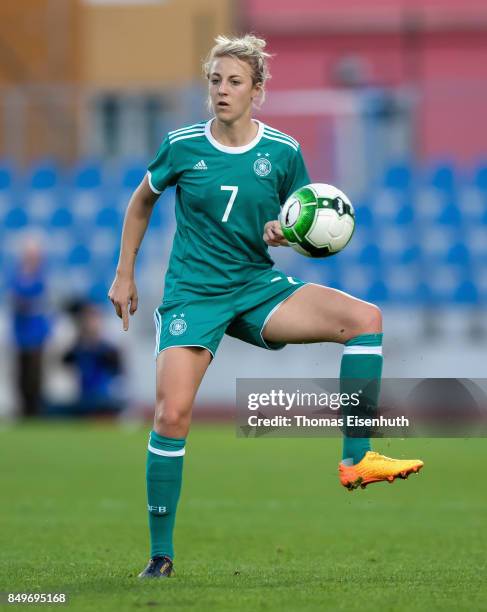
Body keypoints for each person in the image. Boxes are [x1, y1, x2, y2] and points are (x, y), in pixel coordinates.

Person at [108, 34, 424, 579]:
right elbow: (142, 202)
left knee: (365, 319)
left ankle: (356, 459)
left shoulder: (282, 151)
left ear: (257, 90)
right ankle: (160, 557)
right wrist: (125, 272)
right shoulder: (182, 144)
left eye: (235, 81)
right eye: (215, 81)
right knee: (171, 415)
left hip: (256, 286)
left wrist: (286, 232)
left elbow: (305, 225)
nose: (222, 91)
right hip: (195, 293)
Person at [9, 235, 52, 418]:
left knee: (35, 375)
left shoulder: (41, 278)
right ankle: (24, 411)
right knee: (20, 375)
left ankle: (35, 411)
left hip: (37, 335)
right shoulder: (17, 277)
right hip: (21, 335)